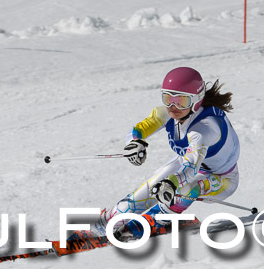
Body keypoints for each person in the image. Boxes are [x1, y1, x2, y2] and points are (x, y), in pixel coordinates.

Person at [95, 66, 241, 238]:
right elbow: (138, 130)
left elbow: (192, 165)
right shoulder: (167, 114)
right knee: (141, 195)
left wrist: (172, 183)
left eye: (181, 101)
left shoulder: (205, 129)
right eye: (168, 98)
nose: (173, 106)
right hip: (186, 165)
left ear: (196, 100)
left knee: (187, 189)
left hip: (222, 178)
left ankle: (156, 220)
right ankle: (108, 222)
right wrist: (134, 143)